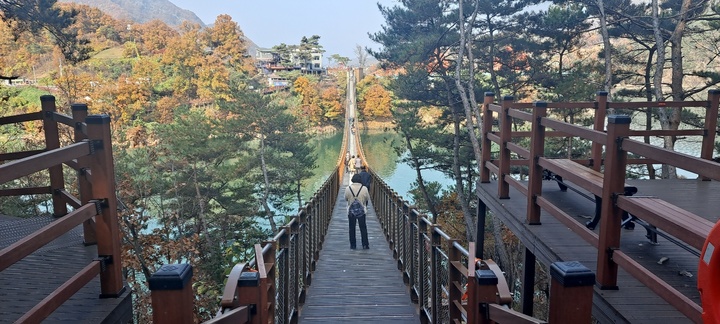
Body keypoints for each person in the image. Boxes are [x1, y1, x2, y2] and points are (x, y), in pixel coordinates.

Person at [345, 174, 370, 249]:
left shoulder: (348, 188)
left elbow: (346, 198)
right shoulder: (364, 188)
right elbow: (367, 198)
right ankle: (365, 244)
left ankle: (353, 245)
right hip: (361, 210)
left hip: (351, 211)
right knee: (363, 227)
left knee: (351, 228)